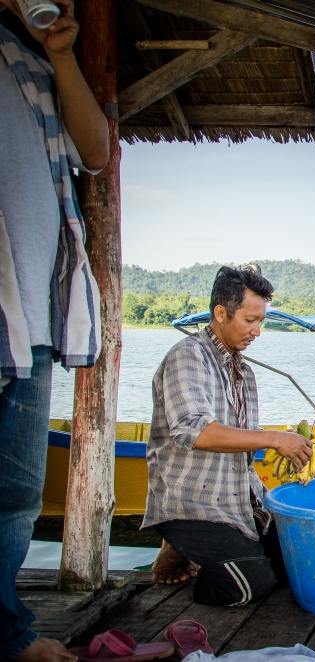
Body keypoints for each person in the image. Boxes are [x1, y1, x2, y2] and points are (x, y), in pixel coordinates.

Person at [1, 0, 109, 658]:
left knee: (13, 499)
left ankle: (8, 637)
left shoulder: (32, 60)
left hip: (31, 320)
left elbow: (95, 152)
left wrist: (62, 52)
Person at [140, 266, 312, 607]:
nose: (257, 331)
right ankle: (181, 547)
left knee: (301, 563)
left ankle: (213, 553)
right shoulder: (187, 356)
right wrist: (273, 439)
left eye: (261, 321)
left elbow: (240, 434)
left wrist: (280, 439)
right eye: (250, 320)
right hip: (192, 504)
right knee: (250, 586)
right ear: (220, 313)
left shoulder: (243, 371)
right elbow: (195, 430)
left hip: (239, 502)